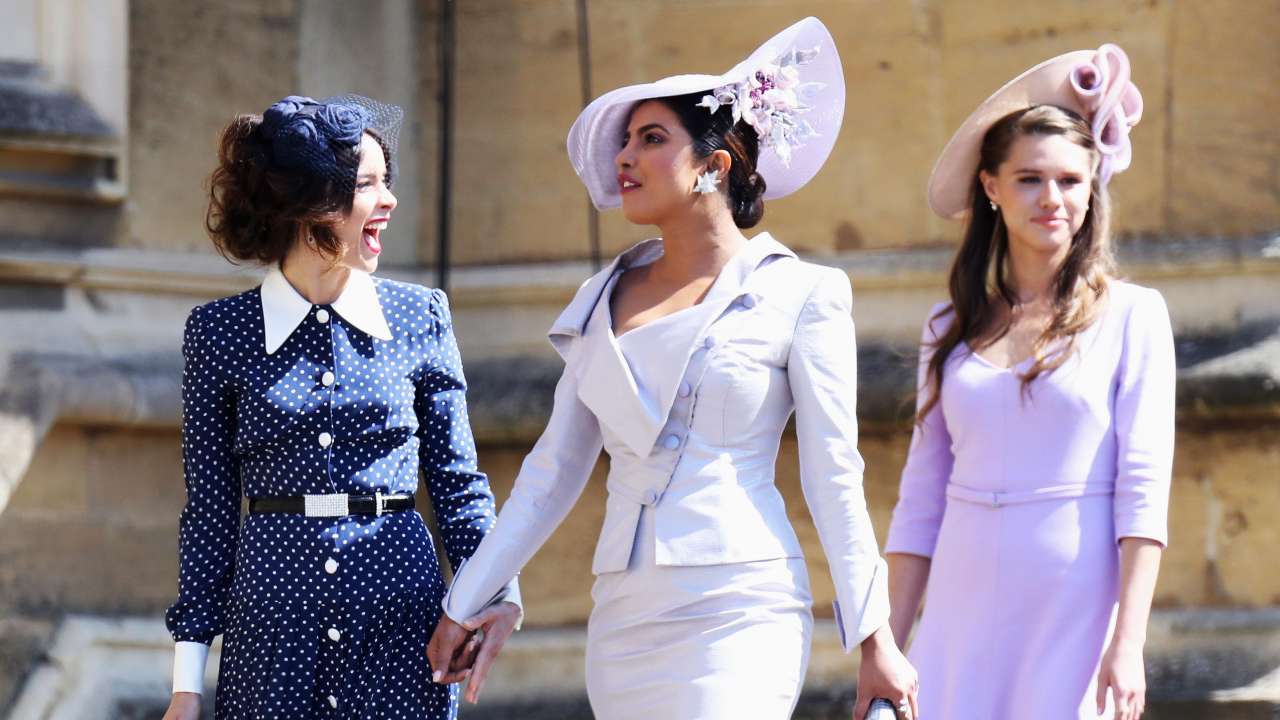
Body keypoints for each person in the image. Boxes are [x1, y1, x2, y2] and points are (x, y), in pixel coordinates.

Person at [427, 17, 917, 720]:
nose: (625, 157)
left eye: (650, 139)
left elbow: (834, 474)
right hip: (624, 619)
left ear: (713, 166)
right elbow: (549, 474)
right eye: (625, 140)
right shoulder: (598, 299)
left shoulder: (803, 292)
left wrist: (877, 639)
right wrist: (465, 602)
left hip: (742, 605)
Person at [161, 94, 520, 720]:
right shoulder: (219, 333)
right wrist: (186, 685)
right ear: (310, 206)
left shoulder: (420, 315)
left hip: (402, 623)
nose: (389, 201)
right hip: (271, 633)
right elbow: (209, 516)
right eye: (367, 185)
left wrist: (494, 594)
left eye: (388, 182)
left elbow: (460, 486)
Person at [884, 45, 1173, 720]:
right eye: (1030, 180)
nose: (1053, 199)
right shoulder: (948, 325)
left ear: (1092, 186)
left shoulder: (1135, 316)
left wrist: (1127, 645)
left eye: (1071, 181)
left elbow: (1143, 493)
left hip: (1071, 607)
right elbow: (918, 500)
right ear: (990, 187)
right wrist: (889, 647)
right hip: (961, 608)